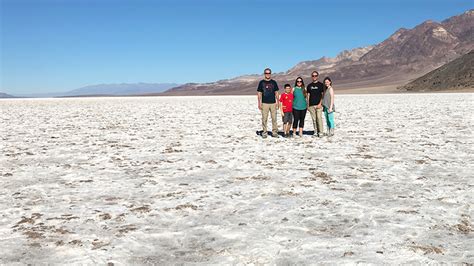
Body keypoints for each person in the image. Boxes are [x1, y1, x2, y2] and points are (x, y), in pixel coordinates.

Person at [257, 68, 279, 138]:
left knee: (274, 118)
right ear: (264, 74)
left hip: (273, 103)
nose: (268, 74)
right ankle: (264, 132)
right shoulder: (261, 82)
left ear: (270, 74)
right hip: (264, 103)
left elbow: (276, 92)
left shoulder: (274, 82)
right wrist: (259, 103)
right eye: (266, 73)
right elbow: (259, 93)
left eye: (269, 73)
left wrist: (277, 102)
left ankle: (274, 132)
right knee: (264, 119)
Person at [306, 71, 325, 137]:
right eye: (313, 76)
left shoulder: (321, 85)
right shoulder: (309, 86)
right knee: (314, 119)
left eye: (315, 75)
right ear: (311, 77)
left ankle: (321, 132)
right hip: (311, 105)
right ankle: (316, 131)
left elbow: (323, 95)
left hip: (319, 105)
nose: (314, 77)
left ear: (318, 76)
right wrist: (308, 105)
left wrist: (320, 103)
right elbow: (308, 95)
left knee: (319, 118)